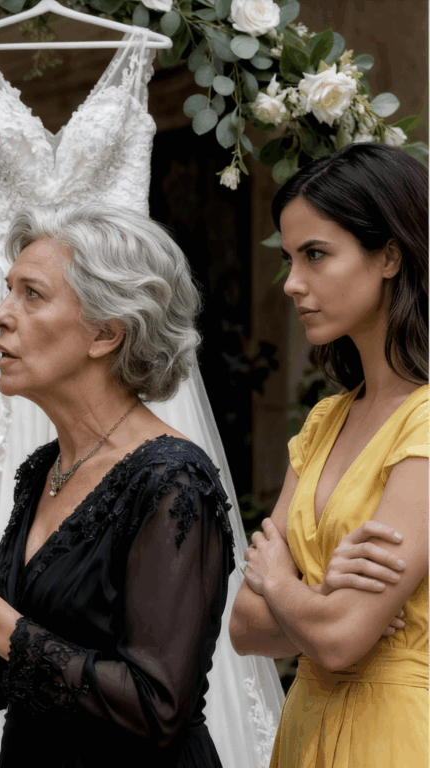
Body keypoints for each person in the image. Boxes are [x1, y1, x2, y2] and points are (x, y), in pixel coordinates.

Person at [0, 204, 237, 767]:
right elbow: (9, 680)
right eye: (7, 291)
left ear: (105, 333)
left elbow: (156, 708)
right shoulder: (46, 469)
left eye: (31, 295)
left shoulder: (173, 480)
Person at [229, 143, 428, 767]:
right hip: (304, 732)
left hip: (394, 738)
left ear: (389, 255)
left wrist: (281, 584)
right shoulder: (325, 421)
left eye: (315, 254)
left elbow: (339, 640)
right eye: (289, 259)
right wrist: (322, 600)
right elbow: (242, 628)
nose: (293, 283)